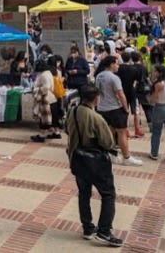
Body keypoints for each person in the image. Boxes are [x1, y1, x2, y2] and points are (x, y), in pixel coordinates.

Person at [65, 84, 124, 247]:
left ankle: (88, 228)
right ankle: (104, 231)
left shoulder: (73, 111)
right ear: (96, 98)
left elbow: (67, 130)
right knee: (108, 194)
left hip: (77, 158)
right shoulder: (96, 118)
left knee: (84, 193)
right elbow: (107, 142)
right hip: (96, 162)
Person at [94, 56, 142, 166]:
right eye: (116, 64)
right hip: (115, 108)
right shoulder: (114, 78)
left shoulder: (98, 76)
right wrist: (125, 108)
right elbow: (120, 94)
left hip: (102, 108)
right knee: (122, 133)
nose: (118, 66)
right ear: (111, 64)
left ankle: (112, 154)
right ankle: (126, 157)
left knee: (110, 132)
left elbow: (98, 92)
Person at [30, 59, 61, 142]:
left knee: (44, 118)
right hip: (52, 97)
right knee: (54, 117)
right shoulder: (49, 72)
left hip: (46, 99)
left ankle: (42, 135)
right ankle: (56, 132)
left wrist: (36, 89)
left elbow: (46, 87)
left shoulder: (43, 75)